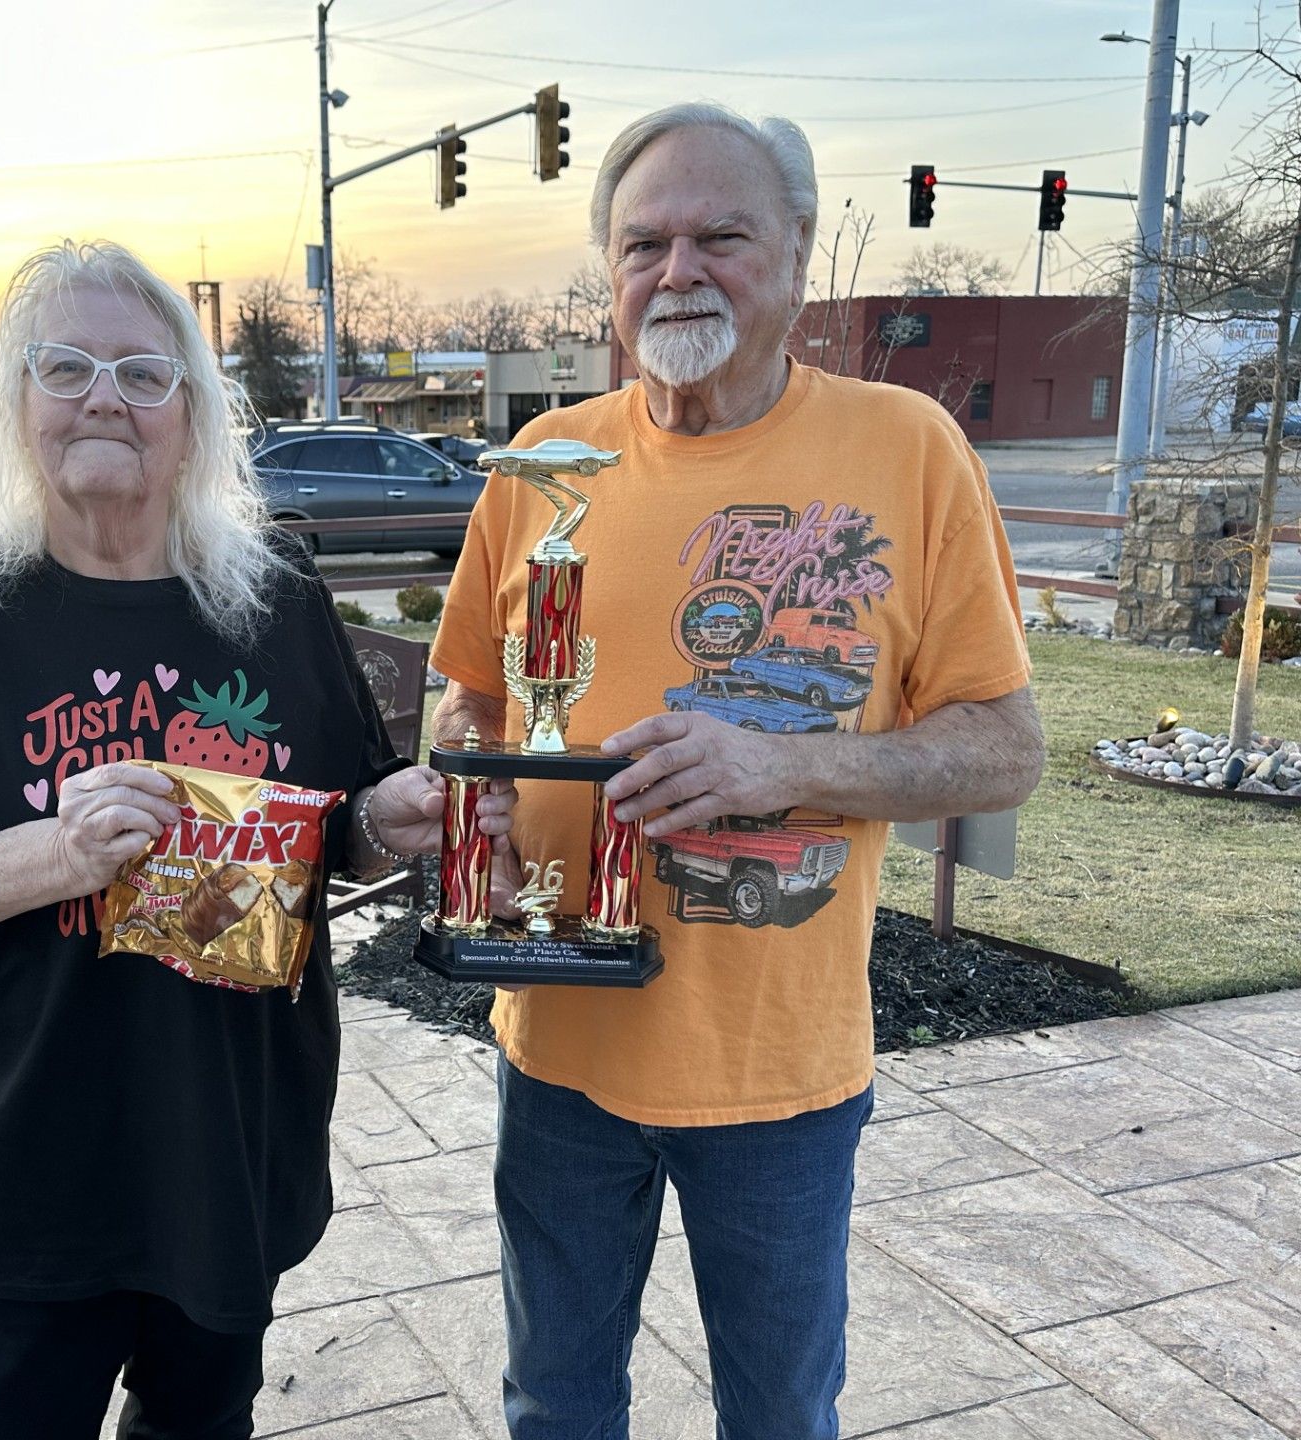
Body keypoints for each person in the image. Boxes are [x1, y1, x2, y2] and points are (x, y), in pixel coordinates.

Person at [0, 239, 514, 1440]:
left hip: (228, 1146)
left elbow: (336, 826)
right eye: (67, 365)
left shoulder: (273, 592)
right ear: (15, 402)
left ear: (193, 417)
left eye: (146, 375)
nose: (104, 395)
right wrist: (60, 851)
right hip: (31, 1162)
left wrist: (386, 822)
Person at [429, 103, 1043, 1440]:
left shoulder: (906, 448)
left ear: (800, 254)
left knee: (778, 1413)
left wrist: (774, 761)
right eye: (643, 241)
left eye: (724, 234)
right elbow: (471, 692)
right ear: (609, 270)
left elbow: (1005, 749)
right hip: (559, 1047)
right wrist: (460, 804)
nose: (680, 270)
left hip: (777, 1071)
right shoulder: (543, 464)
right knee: (555, 1402)